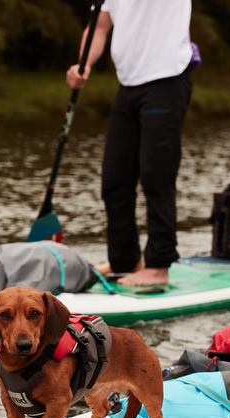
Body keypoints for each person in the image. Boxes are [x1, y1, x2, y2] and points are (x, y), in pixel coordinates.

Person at [66, 0, 194, 286]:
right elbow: (98, 27)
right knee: (114, 179)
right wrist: (83, 64)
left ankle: (159, 265)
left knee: (155, 176)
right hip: (128, 85)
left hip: (167, 79)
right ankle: (124, 260)